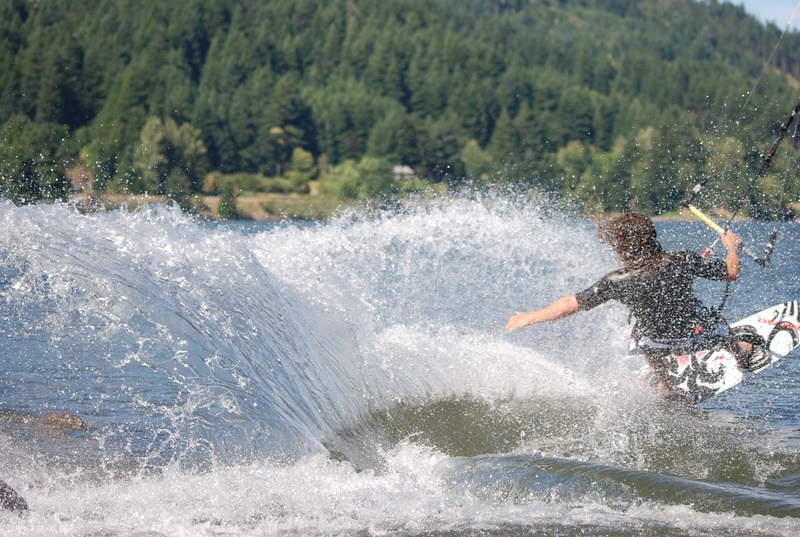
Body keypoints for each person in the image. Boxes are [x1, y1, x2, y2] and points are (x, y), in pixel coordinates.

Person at [505, 213, 763, 391]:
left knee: (642, 331)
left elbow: (572, 302)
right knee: (714, 320)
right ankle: (740, 353)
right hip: (694, 334)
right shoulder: (682, 259)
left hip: (658, 342)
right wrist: (731, 247)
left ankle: (664, 384)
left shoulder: (615, 281)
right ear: (653, 239)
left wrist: (530, 317)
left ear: (621, 250)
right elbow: (731, 272)